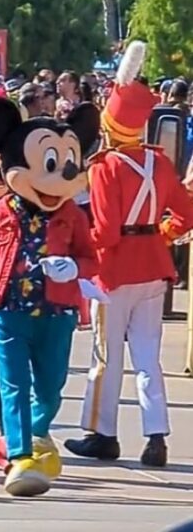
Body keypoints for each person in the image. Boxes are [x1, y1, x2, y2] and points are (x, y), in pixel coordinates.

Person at [65, 42, 193, 469]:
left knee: (107, 357)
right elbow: (187, 212)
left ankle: (103, 434)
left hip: (114, 271)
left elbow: (103, 230)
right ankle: (156, 437)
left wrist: (80, 257)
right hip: (154, 267)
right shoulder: (160, 163)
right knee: (147, 357)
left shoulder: (105, 167)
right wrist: (165, 233)